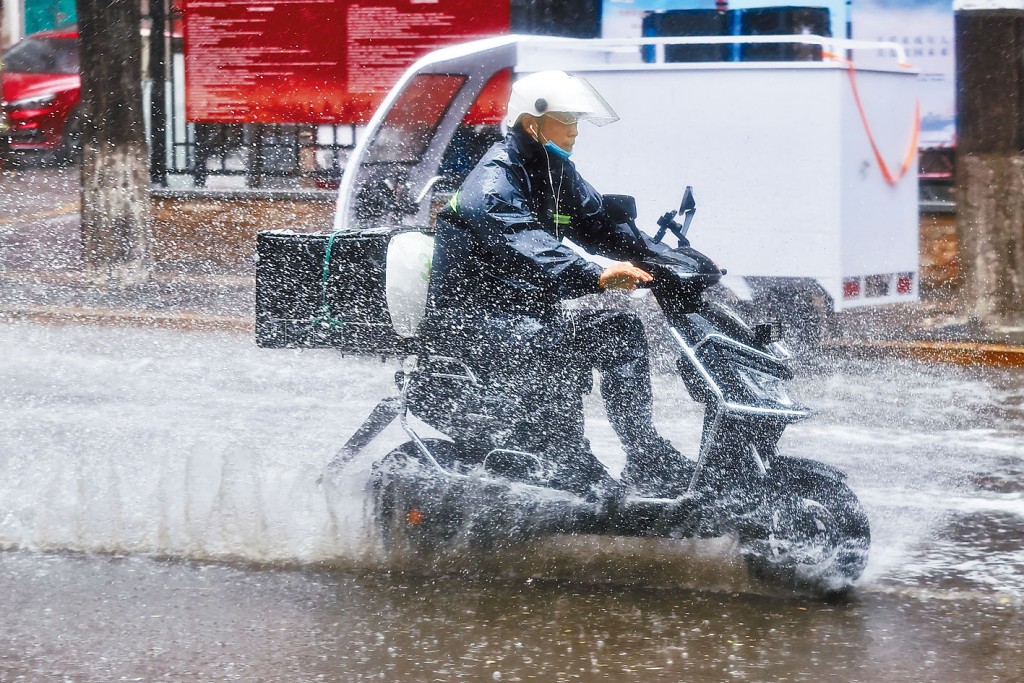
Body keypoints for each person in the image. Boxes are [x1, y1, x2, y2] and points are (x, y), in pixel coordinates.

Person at [423, 70, 692, 498]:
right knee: (551, 343)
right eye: (565, 121)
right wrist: (594, 274)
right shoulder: (494, 180)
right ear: (533, 123)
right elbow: (523, 242)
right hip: (470, 322)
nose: (574, 132)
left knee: (620, 332)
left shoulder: (556, 172)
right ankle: (567, 457)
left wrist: (674, 259)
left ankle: (646, 456)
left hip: (525, 317)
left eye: (576, 122)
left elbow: (603, 226)